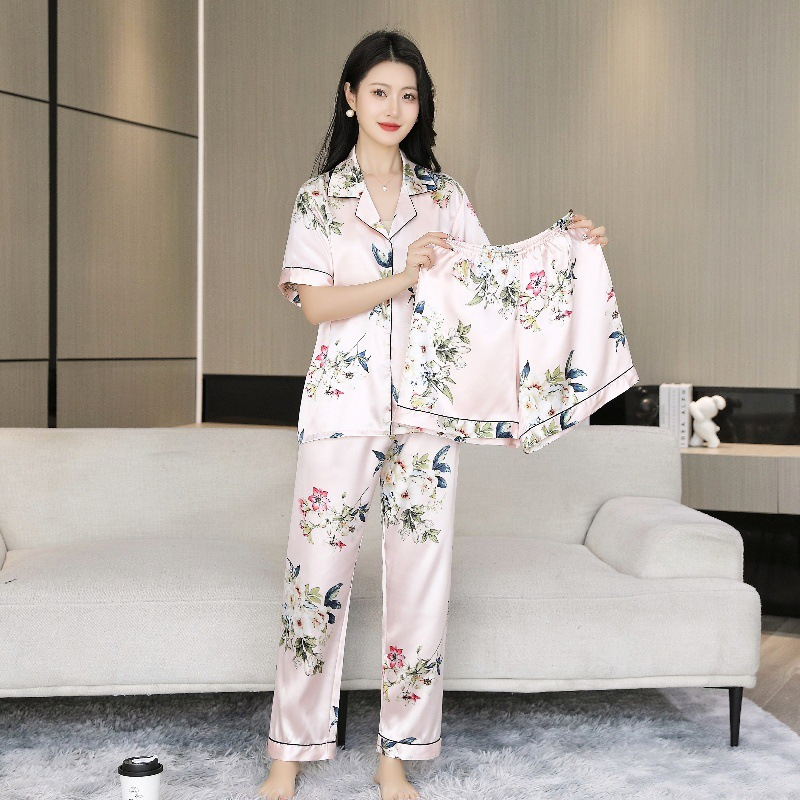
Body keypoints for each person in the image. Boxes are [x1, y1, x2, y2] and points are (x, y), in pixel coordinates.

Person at [258, 28, 608, 800]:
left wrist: (569, 245)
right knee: (313, 580)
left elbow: (496, 285)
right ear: (351, 98)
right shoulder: (320, 198)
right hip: (342, 408)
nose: (394, 107)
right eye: (379, 91)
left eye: (409, 94)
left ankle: (398, 755)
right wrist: (402, 277)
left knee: (421, 584)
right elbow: (315, 304)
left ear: (422, 107)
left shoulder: (443, 197)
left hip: (428, 414)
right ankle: (289, 752)